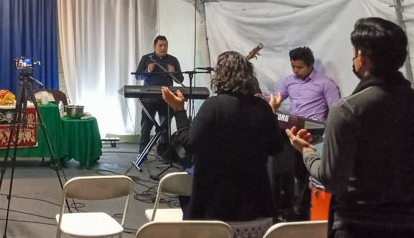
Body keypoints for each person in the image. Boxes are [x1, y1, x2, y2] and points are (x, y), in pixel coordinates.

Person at [286, 18, 414, 237]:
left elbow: (331, 179)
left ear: (362, 57)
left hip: (359, 225)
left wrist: (307, 151)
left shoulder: (347, 110)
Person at [162, 51, 282, 237]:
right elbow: (276, 147)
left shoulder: (213, 106)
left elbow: (191, 144)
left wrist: (179, 111)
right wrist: (271, 115)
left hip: (217, 207)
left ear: (221, 75)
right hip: (256, 206)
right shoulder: (263, 108)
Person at [269, 46, 340, 221]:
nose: (295, 70)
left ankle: (302, 211)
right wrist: (263, 99)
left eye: (299, 67)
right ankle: (287, 207)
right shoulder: (289, 81)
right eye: (293, 66)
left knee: (307, 174)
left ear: (310, 65)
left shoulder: (325, 83)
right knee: (287, 165)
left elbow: (336, 111)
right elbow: (276, 98)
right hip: (292, 130)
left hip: (315, 133)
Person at [135, 35, 183, 154]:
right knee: (146, 126)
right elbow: (137, 76)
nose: (163, 48)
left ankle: (163, 154)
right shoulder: (146, 58)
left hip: (166, 98)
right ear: (154, 46)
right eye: (160, 45)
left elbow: (180, 80)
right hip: (149, 99)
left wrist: (174, 73)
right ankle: (142, 154)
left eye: (165, 45)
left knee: (165, 128)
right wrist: (147, 71)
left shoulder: (173, 60)